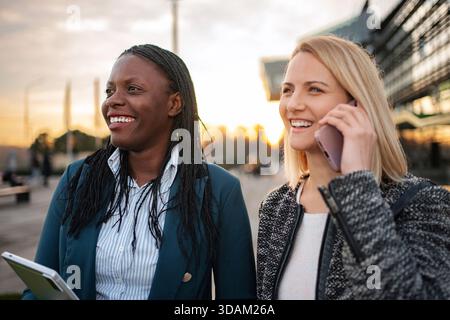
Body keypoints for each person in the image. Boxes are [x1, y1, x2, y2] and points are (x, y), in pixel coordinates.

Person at [23, 44, 256, 300]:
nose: (113, 100)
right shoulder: (77, 179)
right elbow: (39, 288)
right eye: (110, 91)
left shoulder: (220, 190)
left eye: (132, 89)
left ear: (174, 104)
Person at [257, 35, 450, 300]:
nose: (292, 104)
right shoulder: (276, 206)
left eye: (314, 89)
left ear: (357, 106)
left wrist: (357, 189)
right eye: (288, 90)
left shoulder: (421, 203)